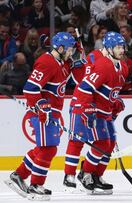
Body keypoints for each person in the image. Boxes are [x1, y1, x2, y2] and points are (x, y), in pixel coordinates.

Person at [4, 32, 75, 201]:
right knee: (48, 148)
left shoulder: (62, 62)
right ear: (61, 48)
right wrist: (42, 106)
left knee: (44, 147)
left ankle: (18, 175)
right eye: (70, 49)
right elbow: (30, 88)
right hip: (42, 113)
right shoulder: (47, 62)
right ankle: (36, 185)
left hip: (52, 113)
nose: (72, 53)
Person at [67, 31, 127, 195]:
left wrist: (116, 102)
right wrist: (87, 108)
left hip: (106, 110)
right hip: (97, 110)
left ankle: (97, 175)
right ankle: (85, 173)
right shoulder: (103, 65)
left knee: (110, 143)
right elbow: (85, 88)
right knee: (101, 143)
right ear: (108, 48)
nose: (121, 50)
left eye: (122, 46)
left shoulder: (124, 67)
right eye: (117, 47)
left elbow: (111, 90)